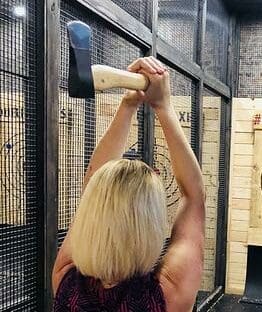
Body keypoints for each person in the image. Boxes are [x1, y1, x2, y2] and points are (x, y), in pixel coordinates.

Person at [52, 56, 205, 312]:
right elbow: (194, 196)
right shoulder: (168, 294)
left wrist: (128, 104)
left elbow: (95, 186)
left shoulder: (65, 280)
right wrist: (163, 106)